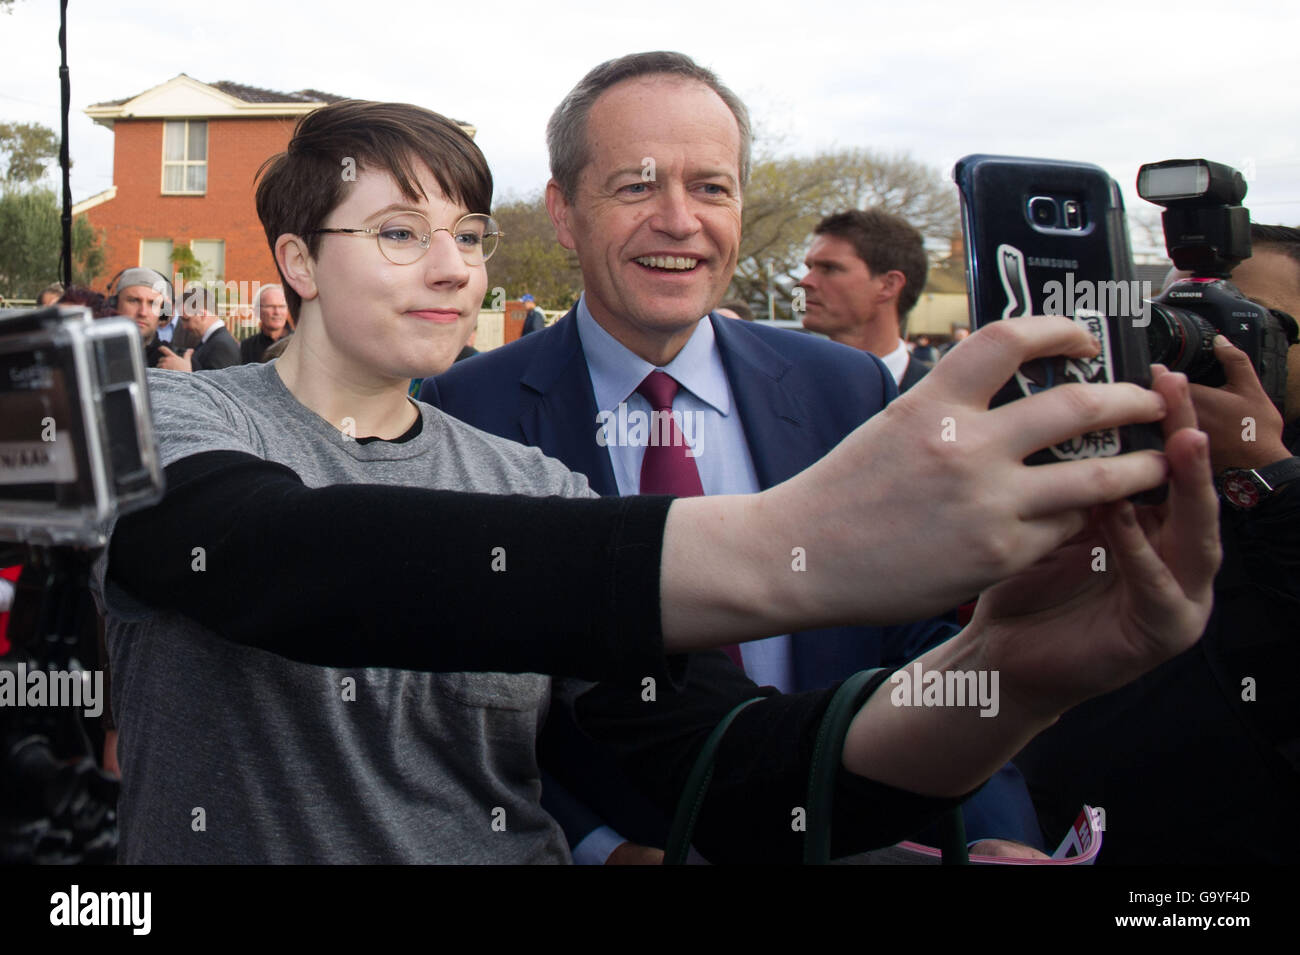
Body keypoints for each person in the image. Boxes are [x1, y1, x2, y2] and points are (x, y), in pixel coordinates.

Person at [93, 93, 1217, 865]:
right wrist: (804, 544)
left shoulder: (537, 486)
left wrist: (1007, 675)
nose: (450, 266)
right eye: (398, 232)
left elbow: (737, 774)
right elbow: (292, 560)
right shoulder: (172, 417)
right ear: (296, 260)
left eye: (469, 234)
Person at [425, 51, 1044, 861]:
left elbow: (919, 642)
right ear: (565, 212)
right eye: (638, 186)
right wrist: (596, 844)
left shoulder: (847, 391)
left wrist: (991, 829)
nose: (680, 220)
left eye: (711, 187)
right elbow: (459, 699)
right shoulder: (464, 415)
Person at [1016, 224, 1300, 863]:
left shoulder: (1261, 471)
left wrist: (1260, 470)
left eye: (1246, 323)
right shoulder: (1124, 464)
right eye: (1181, 315)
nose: (1203, 342)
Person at [798, 209, 932, 391]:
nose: (805, 281)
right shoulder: (778, 391)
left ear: (888, 285)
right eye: (809, 268)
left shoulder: (947, 402)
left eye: (829, 268)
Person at [157, 285, 241, 372]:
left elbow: (219, 384)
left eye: (186, 320)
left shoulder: (222, 346)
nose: (184, 327)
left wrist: (187, 372)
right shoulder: (213, 341)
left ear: (202, 315)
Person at [108, 267, 172, 368]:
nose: (142, 313)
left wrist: (187, 375)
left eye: (152, 303)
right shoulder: (94, 355)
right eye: (133, 300)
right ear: (115, 304)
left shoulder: (181, 361)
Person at [240, 284, 293, 363]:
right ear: (257, 311)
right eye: (270, 306)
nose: (277, 312)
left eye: (282, 306)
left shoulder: (298, 343)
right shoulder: (246, 347)